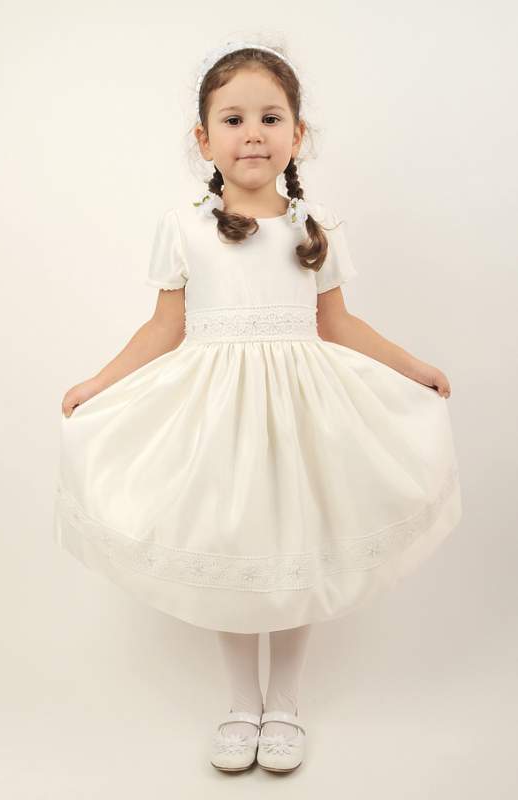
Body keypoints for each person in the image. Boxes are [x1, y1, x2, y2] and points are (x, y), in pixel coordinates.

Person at [54, 40, 463, 774]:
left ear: (297, 135)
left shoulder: (315, 226)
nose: (253, 134)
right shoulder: (186, 226)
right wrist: (99, 383)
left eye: (271, 118)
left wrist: (412, 368)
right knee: (234, 550)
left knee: (294, 551)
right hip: (219, 415)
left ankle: (287, 706)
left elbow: (339, 324)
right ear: (204, 138)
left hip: (301, 413)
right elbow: (164, 327)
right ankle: (242, 704)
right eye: (234, 119)